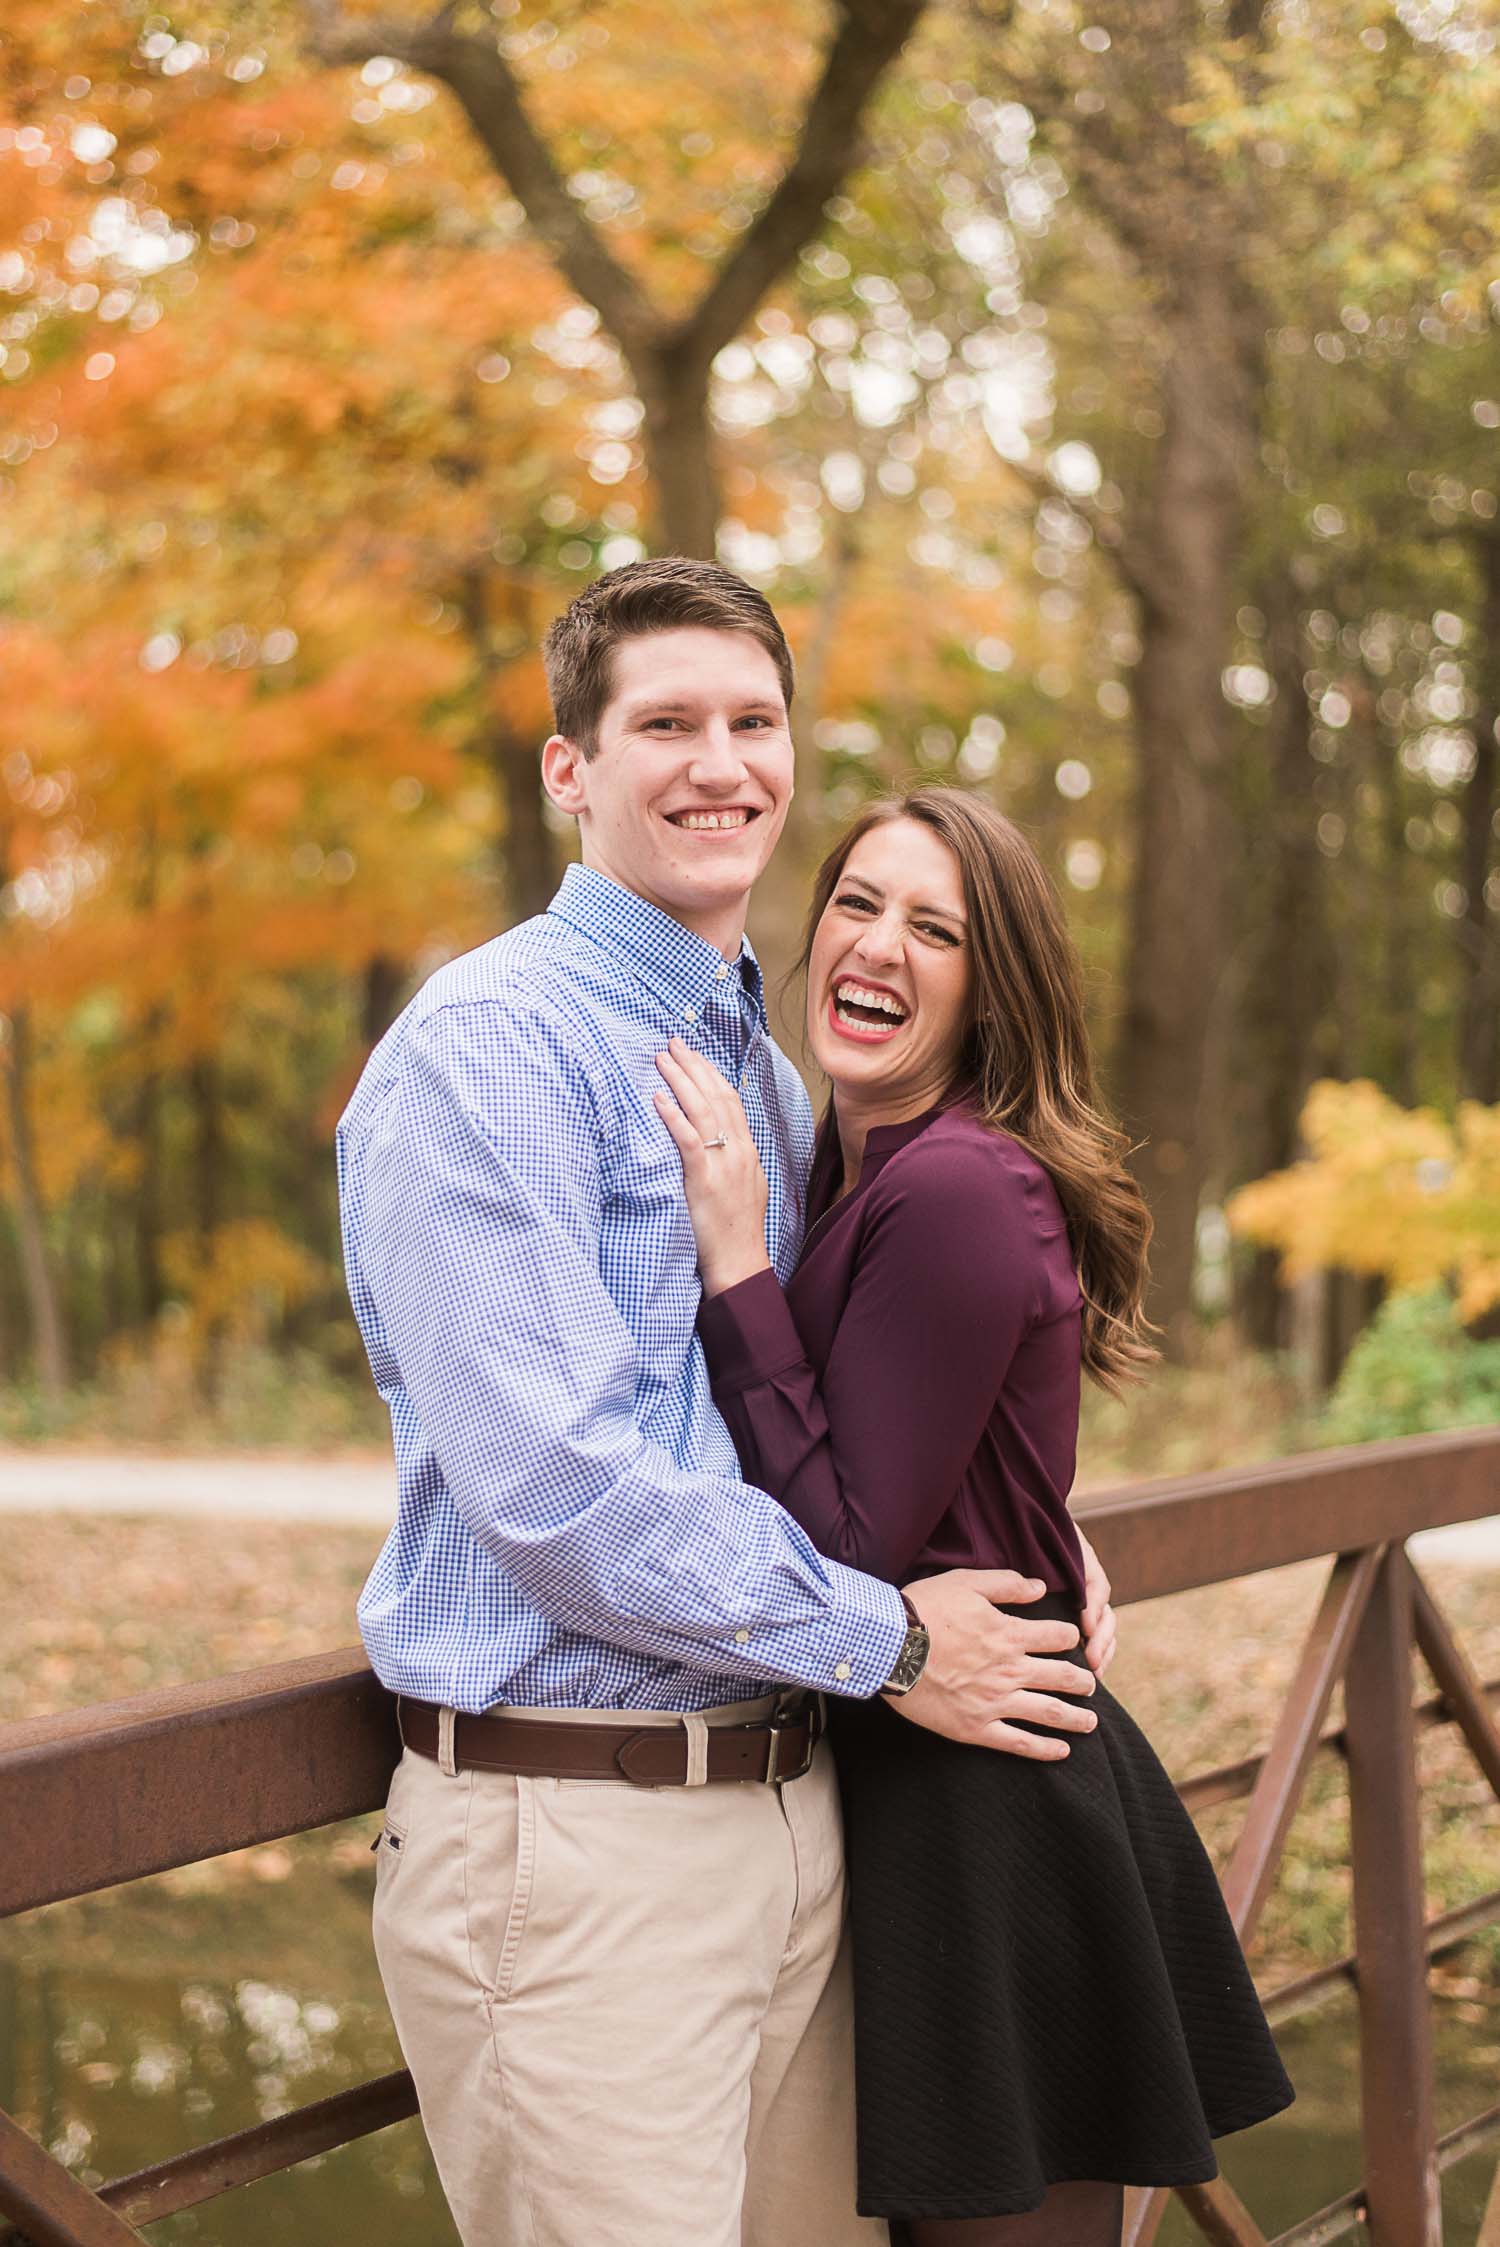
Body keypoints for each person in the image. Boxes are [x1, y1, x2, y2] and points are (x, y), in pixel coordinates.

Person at [336, 560, 1119, 2247]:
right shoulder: (490, 1052)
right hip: (575, 1843)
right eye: (665, 723)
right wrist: (896, 1641)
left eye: (753, 721)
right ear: (572, 770)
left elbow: (845, 1413)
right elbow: (559, 1491)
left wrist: (1034, 1542)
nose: (720, 763)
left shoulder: (771, 1076)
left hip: (802, 1815)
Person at [653, 786, 1295, 2247]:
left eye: (934, 927)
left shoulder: (952, 1184)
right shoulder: (868, 1166)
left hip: (991, 1808)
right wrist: (1043, 1521)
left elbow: (856, 1552)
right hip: (935, 1781)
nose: (878, 944)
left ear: (988, 989)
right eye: (858, 903)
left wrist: (739, 1270)